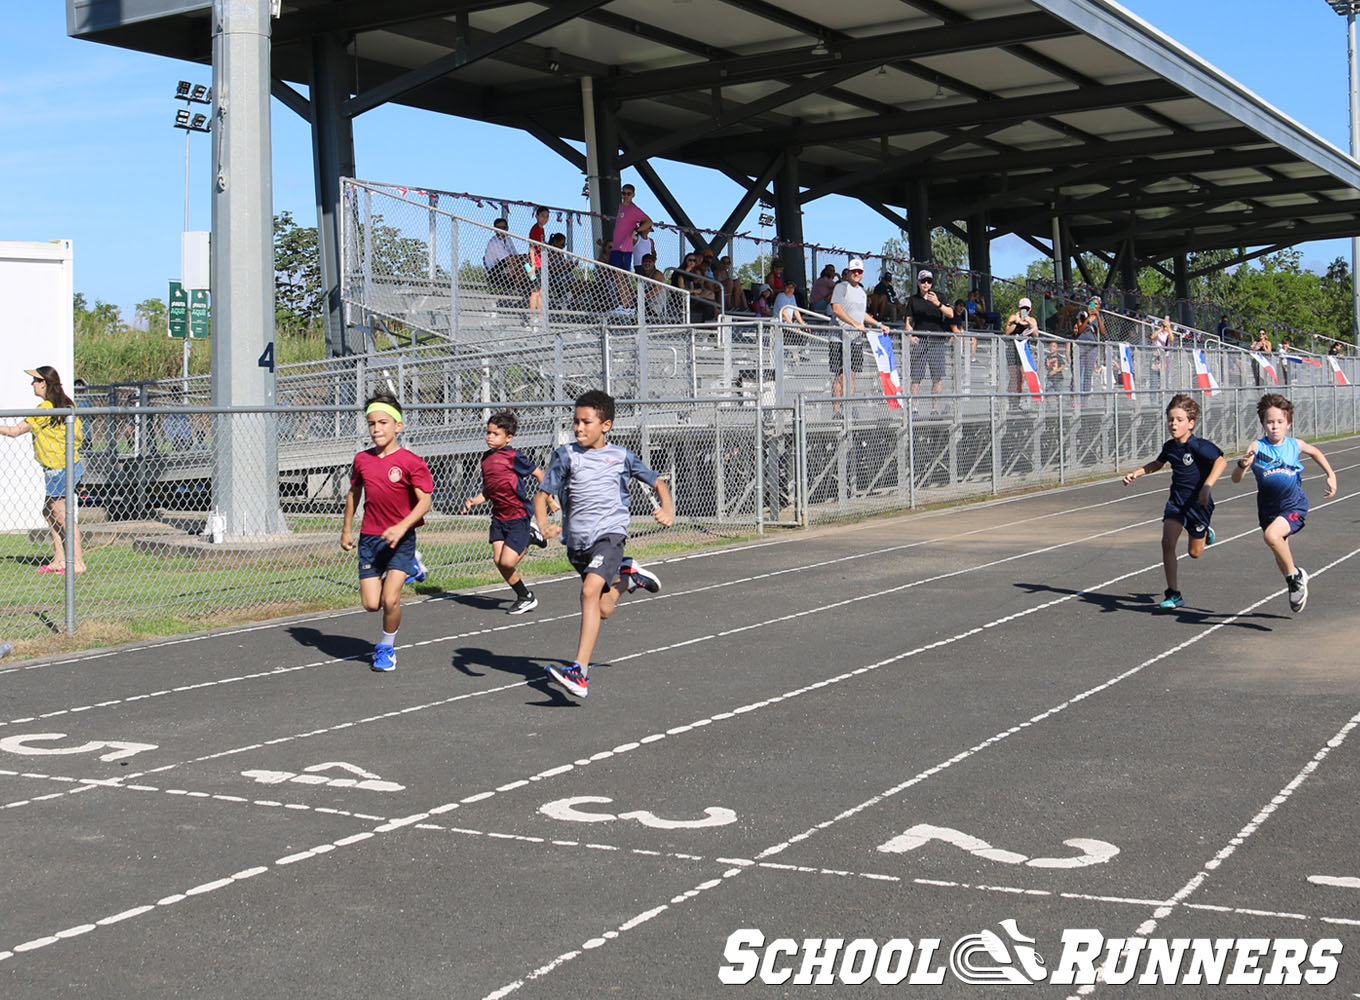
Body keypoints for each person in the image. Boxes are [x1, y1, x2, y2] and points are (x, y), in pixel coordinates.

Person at [534, 389, 674, 698]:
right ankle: (627, 577)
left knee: (587, 593)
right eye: (576, 422)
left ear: (605, 425)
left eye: (586, 422)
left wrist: (667, 509)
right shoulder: (566, 455)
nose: (579, 428)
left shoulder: (621, 456)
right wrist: (543, 524)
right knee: (604, 608)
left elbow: (658, 482)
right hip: (577, 544)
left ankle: (579, 673)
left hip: (609, 536)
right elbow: (542, 495)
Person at [340, 392, 433, 672]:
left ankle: (386, 647)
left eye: (383, 422)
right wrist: (346, 530)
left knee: (390, 599)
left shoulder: (410, 461)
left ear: (398, 426)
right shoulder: (362, 460)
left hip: (401, 539)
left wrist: (402, 526)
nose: (376, 429)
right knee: (371, 604)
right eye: (371, 423)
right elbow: (353, 494)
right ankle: (412, 567)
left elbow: (425, 501)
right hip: (370, 539)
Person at [1230, 393, 1338, 613]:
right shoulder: (1257, 447)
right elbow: (1235, 479)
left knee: (1271, 536)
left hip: (1294, 505)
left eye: (1280, 422)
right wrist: (1242, 465)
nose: (1275, 427)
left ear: (1288, 424)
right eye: (1270, 422)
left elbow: (1315, 452)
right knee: (1279, 551)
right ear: (1262, 424)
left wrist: (1331, 474)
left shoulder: (1294, 445)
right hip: (1269, 509)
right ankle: (1294, 578)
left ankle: (1296, 577)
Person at [1122, 394, 1226, 610]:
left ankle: (1205, 532)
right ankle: (1173, 593)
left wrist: (1207, 487)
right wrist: (1138, 473)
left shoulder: (1198, 445)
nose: (1174, 424)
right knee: (1167, 543)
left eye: (1179, 420)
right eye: (1171, 419)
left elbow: (1221, 461)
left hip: (1198, 505)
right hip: (1177, 503)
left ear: (1191, 423)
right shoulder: (1170, 447)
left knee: (1194, 553)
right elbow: (1158, 463)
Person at [461, 411, 553, 615]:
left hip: (518, 516)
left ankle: (530, 535)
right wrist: (475, 500)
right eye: (488, 432)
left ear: (508, 438)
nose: (489, 436)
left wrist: (548, 497)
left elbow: (539, 474)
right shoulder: (485, 459)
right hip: (499, 517)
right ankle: (525, 596)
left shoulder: (514, 456)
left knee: (507, 561)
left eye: (495, 434)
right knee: (498, 561)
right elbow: (490, 489)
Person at [0, 366, 86, 574]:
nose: (32, 385)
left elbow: (14, 431)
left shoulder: (45, 409)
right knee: (49, 511)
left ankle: (77, 562)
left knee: (62, 514)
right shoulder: (66, 405)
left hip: (60, 469)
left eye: (35, 381)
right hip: (67, 466)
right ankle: (60, 559)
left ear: (44, 383)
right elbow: (78, 436)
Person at [829, 258, 885, 404]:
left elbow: (862, 315)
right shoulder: (841, 287)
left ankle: (849, 409)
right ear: (848, 272)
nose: (856, 274)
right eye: (854, 271)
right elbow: (837, 309)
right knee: (840, 376)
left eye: (859, 271)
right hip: (839, 338)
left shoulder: (862, 292)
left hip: (855, 339)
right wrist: (854, 323)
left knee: (852, 375)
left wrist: (879, 324)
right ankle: (837, 411)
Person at [906, 269, 953, 409]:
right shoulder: (913, 300)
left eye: (929, 281)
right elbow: (908, 321)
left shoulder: (940, 296)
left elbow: (951, 314)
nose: (926, 284)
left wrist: (938, 303)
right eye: (923, 281)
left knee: (937, 377)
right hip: (920, 340)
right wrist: (910, 336)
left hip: (936, 340)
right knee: (916, 377)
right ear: (918, 282)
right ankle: (914, 408)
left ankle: (935, 409)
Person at [609, 183, 650, 306]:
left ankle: (626, 305)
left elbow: (649, 221)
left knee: (621, 275)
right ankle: (626, 304)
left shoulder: (634, 209)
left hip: (625, 247)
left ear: (633, 195)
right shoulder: (620, 207)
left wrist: (636, 230)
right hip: (616, 245)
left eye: (628, 194)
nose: (625, 196)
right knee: (617, 275)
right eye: (623, 193)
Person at [483, 218, 525, 296]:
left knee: (525, 262)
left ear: (507, 228)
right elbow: (507, 258)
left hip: (507, 269)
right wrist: (520, 258)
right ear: (495, 229)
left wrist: (525, 257)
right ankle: (516, 286)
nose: (501, 230)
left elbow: (516, 255)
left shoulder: (508, 239)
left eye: (504, 228)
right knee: (514, 260)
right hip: (494, 273)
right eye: (499, 228)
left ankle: (531, 279)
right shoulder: (494, 242)